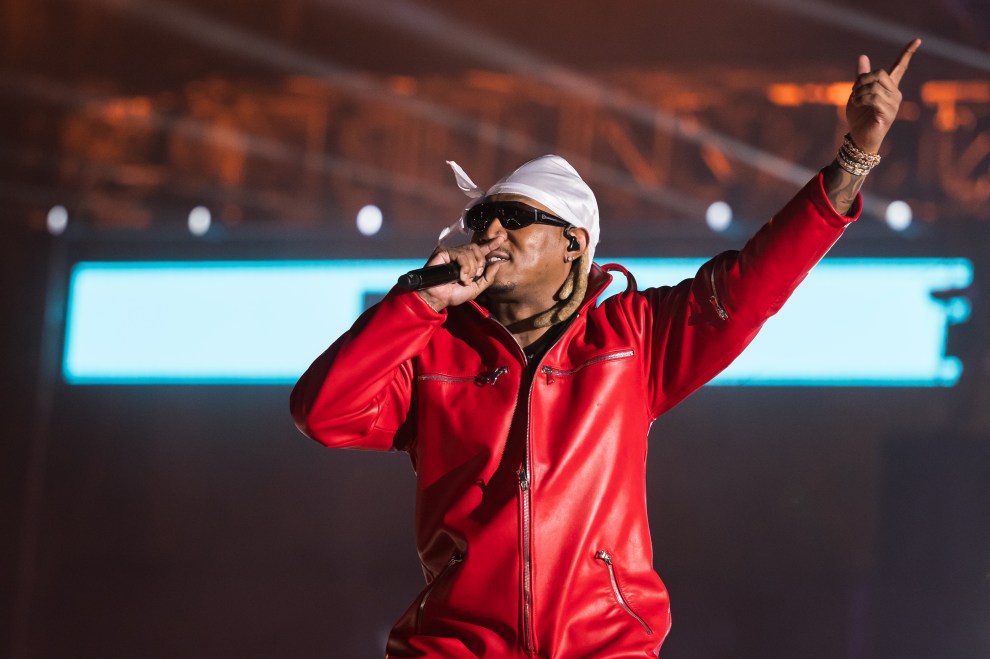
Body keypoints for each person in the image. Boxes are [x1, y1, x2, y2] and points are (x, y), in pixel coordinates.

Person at [290, 40, 921, 658]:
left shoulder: (632, 338)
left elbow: (755, 282)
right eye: (481, 219)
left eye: (515, 217)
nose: (490, 231)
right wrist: (420, 300)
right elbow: (323, 413)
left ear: (574, 243)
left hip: (601, 646)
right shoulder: (434, 355)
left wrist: (855, 156)